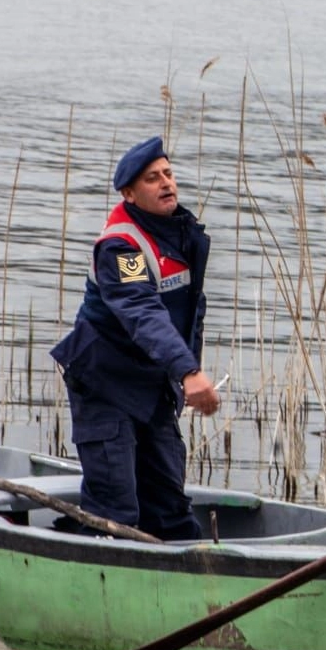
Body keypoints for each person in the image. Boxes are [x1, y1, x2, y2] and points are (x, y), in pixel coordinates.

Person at [50, 135, 221, 541]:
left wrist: (177, 381)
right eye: (151, 179)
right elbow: (143, 313)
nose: (166, 183)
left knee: (171, 507)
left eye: (168, 173)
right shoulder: (121, 248)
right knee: (116, 510)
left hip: (151, 388)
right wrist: (189, 373)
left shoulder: (178, 232)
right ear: (129, 193)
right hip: (105, 386)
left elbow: (188, 313)